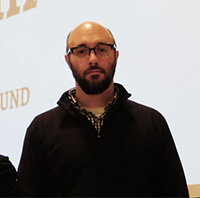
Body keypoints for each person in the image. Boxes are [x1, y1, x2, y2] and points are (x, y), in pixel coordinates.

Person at [18, 21, 189, 196]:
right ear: (68, 61)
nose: (93, 59)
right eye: (81, 51)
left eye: (102, 49)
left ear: (116, 55)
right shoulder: (42, 129)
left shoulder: (150, 123)